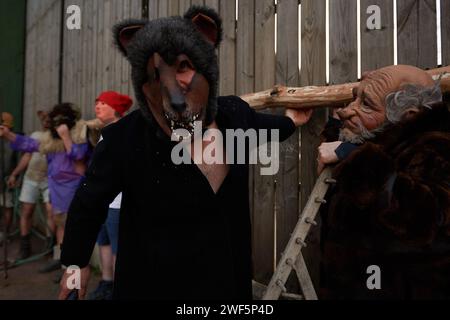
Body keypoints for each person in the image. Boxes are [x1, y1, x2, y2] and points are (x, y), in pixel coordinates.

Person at [58, 6, 313, 300]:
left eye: (182, 67)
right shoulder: (123, 138)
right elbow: (89, 201)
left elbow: (270, 127)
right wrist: (75, 263)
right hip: (153, 287)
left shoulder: (236, 117)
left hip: (225, 286)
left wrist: (292, 120)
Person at [316, 65, 450, 299]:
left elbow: (422, 218)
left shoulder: (436, 148)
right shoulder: (383, 138)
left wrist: (351, 156)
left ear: (408, 115)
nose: (347, 111)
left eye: (366, 103)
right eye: (353, 98)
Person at [0, 103, 90, 274]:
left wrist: (65, 137)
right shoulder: (50, 140)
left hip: (72, 191)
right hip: (57, 192)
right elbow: (29, 144)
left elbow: (78, 155)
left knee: (73, 233)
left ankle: (73, 276)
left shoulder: (78, 136)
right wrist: (8, 135)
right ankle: (62, 264)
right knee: (61, 228)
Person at [87, 91, 133, 300]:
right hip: (104, 201)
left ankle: (119, 290)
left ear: (115, 109)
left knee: (118, 249)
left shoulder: (124, 131)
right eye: (97, 103)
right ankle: (106, 282)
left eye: (103, 103)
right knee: (103, 242)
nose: (97, 106)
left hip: (118, 203)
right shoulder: (105, 131)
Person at [7, 111, 55, 260]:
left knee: (51, 212)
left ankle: (50, 245)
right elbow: (27, 156)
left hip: (49, 179)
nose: (46, 122)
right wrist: (15, 174)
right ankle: (25, 246)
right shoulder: (35, 135)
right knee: (26, 211)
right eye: (44, 119)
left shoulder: (56, 138)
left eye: (49, 119)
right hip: (31, 177)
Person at [0, 112, 19, 247]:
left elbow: (17, 161)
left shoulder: (15, 141)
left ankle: (4, 234)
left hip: (7, 180)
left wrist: (15, 176)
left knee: (7, 206)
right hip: (6, 178)